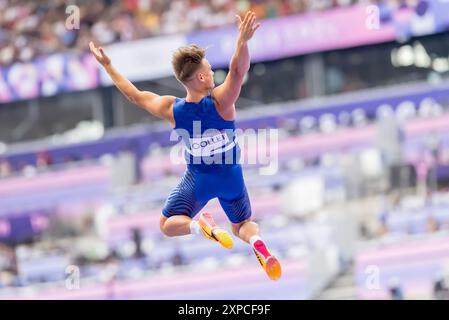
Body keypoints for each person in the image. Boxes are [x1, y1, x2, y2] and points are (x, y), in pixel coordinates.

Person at [90, 11, 281, 280]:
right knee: (242, 226)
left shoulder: (172, 108)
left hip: (198, 180)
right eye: (208, 69)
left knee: (167, 225)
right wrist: (242, 41)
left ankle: (198, 227)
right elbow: (238, 71)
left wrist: (108, 66)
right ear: (201, 78)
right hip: (230, 176)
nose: (213, 72)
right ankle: (257, 243)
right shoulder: (221, 102)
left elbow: (134, 96)